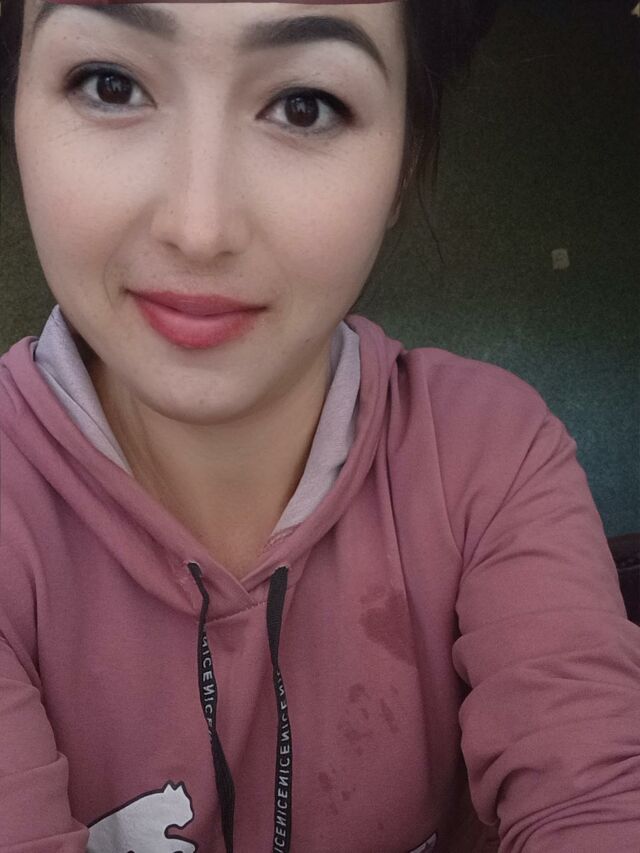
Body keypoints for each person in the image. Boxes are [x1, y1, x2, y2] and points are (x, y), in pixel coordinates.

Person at [0, 2, 638, 851]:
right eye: (109, 84)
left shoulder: (492, 454)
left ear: (404, 161)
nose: (199, 229)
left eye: (304, 106)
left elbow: (599, 800)